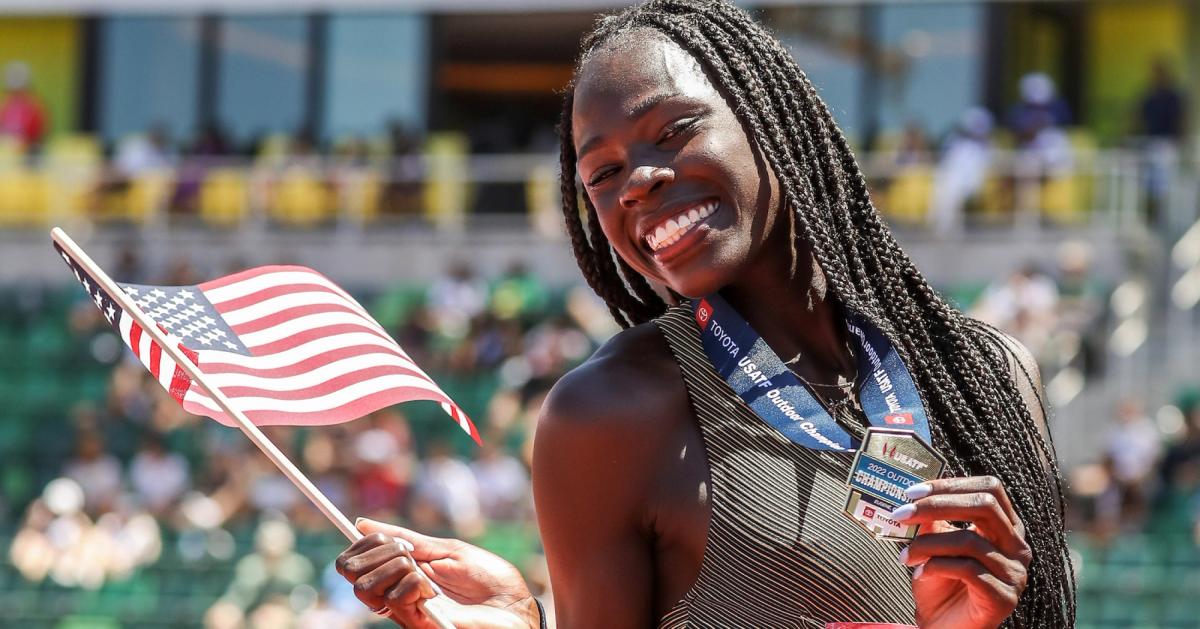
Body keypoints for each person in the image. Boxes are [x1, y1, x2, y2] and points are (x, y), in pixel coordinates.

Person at [336, 2, 1073, 627]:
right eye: (604, 172)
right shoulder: (609, 413)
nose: (638, 182)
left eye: (672, 129)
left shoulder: (991, 377)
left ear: (768, 117)